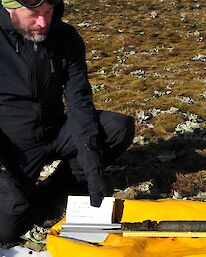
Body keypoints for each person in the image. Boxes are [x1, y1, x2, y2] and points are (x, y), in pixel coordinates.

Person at [0, 0, 135, 242]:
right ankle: (24, 195)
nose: (42, 23)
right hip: (11, 148)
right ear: (9, 7)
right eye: (33, 14)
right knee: (7, 228)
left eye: (48, 13)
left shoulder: (65, 36)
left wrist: (93, 167)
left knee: (117, 128)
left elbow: (79, 101)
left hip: (55, 131)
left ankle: (54, 189)